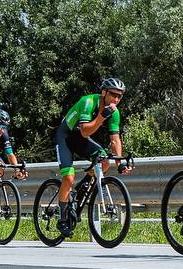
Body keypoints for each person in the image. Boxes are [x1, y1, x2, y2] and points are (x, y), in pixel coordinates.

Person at [54, 78, 130, 235]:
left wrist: (120, 163)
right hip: (66, 136)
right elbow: (85, 131)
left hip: (81, 139)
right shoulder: (88, 101)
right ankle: (62, 218)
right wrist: (102, 117)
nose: (116, 99)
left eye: (119, 96)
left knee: (104, 161)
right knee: (68, 178)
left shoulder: (114, 112)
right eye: (113, 95)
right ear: (104, 92)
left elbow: (115, 139)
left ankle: (80, 189)